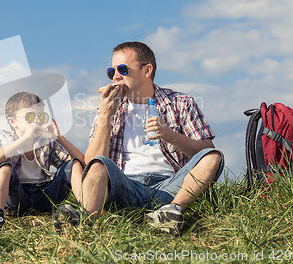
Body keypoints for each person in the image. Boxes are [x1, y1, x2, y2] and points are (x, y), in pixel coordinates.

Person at [60, 41, 224, 235]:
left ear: (147, 70)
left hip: (169, 185)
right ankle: (87, 219)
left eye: (122, 69)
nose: (115, 77)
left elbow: (205, 152)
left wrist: (170, 135)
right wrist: (106, 116)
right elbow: (92, 163)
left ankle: (170, 213)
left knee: (214, 155)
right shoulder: (108, 107)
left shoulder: (181, 102)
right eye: (110, 72)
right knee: (98, 164)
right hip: (126, 186)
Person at [0, 92, 84, 228]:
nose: (37, 121)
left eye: (42, 116)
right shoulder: (8, 139)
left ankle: (85, 210)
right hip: (17, 197)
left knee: (74, 164)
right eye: (30, 117)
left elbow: (79, 161)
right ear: (13, 122)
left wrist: (58, 137)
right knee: (4, 167)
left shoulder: (47, 141)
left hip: (45, 194)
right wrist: (25, 139)